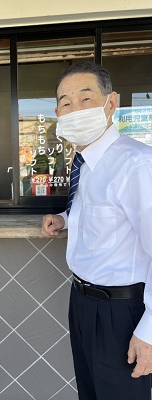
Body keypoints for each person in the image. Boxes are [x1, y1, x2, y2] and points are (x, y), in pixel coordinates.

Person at [42, 62, 152, 400]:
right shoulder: (85, 162)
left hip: (124, 311)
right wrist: (63, 218)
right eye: (66, 103)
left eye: (85, 98)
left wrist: (149, 333)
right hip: (82, 303)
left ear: (111, 102)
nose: (75, 109)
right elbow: (97, 210)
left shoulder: (137, 164)